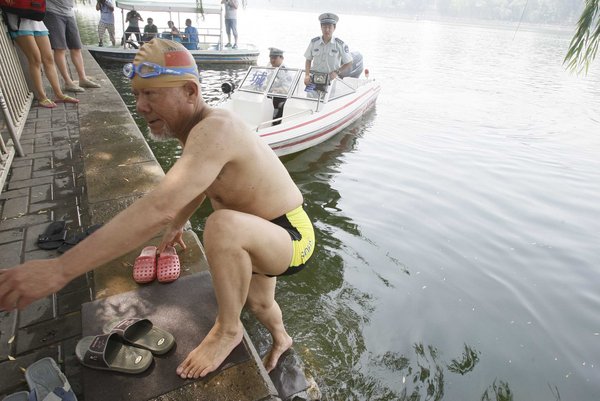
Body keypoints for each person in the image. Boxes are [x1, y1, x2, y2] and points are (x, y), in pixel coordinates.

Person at [0, 38, 315, 379]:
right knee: (259, 303)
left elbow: (158, 206)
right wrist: (179, 223)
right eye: (136, 95)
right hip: (258, 233)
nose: (140, 106)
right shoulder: (195, 128)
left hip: (290, 235)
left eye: (151, 94)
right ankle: (282, 338)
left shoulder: (216, 128)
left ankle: (228, 329)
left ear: (191, 92)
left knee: (221, 226)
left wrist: (58, 270)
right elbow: (201, 185)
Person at [2, 12, 79, 108]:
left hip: (37, 21)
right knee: (35, 60)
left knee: (49, 59)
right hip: (19, 23)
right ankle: (42, 97)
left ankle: (59, 94)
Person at [44, 0, 101, 93]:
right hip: (53, 12)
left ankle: (82, 79)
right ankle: (68, 82)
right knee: (60, 49)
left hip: (69, 13)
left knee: (76, 47)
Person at [303, 12, 353, 87]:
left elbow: (349, 62)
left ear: (334, 28)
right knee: (310, 98)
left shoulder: (340, 44)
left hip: (331, 80)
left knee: (329, 98)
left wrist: (337, 72)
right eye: (324, 27)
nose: (327, 30)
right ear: (321, 27)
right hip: (314, 79)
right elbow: (308, 59)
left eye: (329, 27)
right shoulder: (314, 42)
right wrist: (307, 75)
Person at [267, 47, 286, 125]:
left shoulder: (285, 70)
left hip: (279, 98)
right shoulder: (269, 68)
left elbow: (286, 89)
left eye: (275, 58)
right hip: (268, 95)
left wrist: (278, 89)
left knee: (279, 105)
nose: (272, 60)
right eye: (271, 58)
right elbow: (265, 81)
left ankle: (274, 124)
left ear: (281, 58)